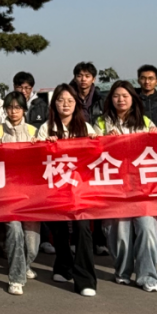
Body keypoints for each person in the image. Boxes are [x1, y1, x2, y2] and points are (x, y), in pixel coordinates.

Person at [36, 83, 99, 296]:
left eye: (70, 101)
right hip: (55, 189)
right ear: (54, 103)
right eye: (61, 100)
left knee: (82, 229)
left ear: (76, 104)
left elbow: (98, 155)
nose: (65, 104)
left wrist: (95, 143)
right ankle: (63, 266)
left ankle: (85, 280)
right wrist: (43, 145)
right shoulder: (46, 128)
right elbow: (36, 158)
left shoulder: (86, 128)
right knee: (59, 229)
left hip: (80, 189)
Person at [96, 80, 157, 292]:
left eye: (125, 96)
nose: (120, 100)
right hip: (114, 188)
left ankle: (148, 276)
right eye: (116, 96)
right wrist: (104, 139)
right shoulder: (101, 123)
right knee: (119, 232)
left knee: (147, 228)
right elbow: (90, 149)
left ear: (133, 99)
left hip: (142, 188)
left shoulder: (145, 122)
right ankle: (122, 271)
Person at [0, 91, 40, 295]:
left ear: (24, 110)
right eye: (10, 107)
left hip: (30, 195)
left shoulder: (33, 131)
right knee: (14, 231)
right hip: (8, 194)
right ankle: (16, 279)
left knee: (32, 243)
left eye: (18, 107)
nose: (13, 111)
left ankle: (24, 264)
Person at [136, 65, 157, 131]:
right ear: (138, 81)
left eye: (151, 78)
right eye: (143, 78)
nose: (147, 82)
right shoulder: (132, 101)